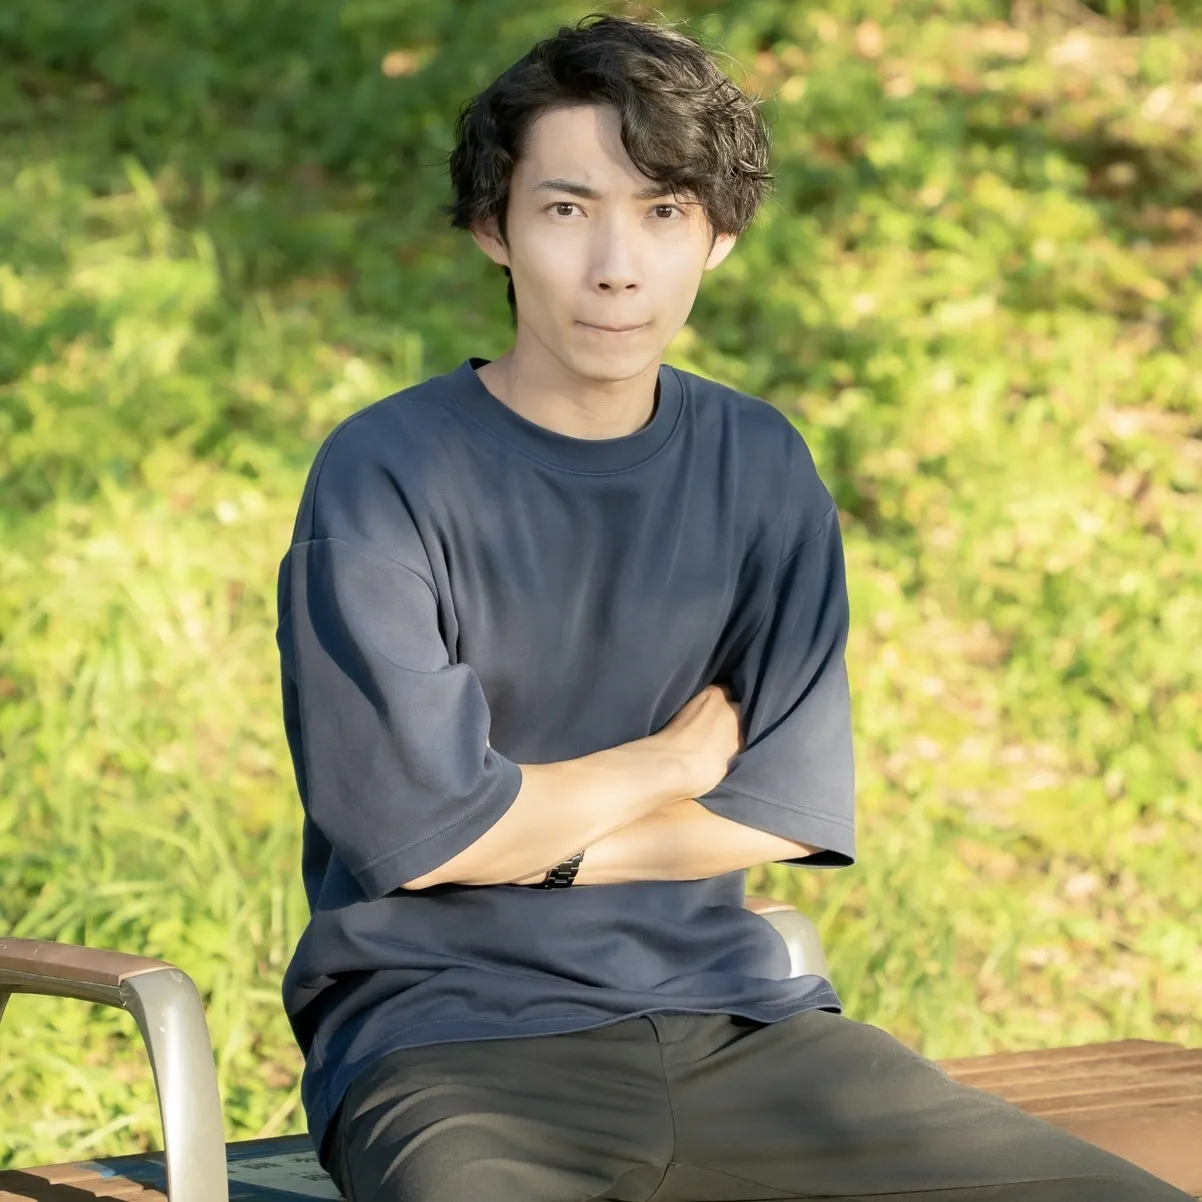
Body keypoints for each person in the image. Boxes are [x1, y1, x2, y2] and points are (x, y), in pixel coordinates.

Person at [274, 13, 1191, 1201]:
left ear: (717, 236)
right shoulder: (386, 472)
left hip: (744, 1026)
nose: (616, 265)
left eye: (662, 212)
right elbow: (428, 836)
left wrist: (529, 833)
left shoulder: (759, 464)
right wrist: (669, 761)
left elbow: (772, 812)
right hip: (449, 1045)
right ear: (492, 227)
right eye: (567, 208)